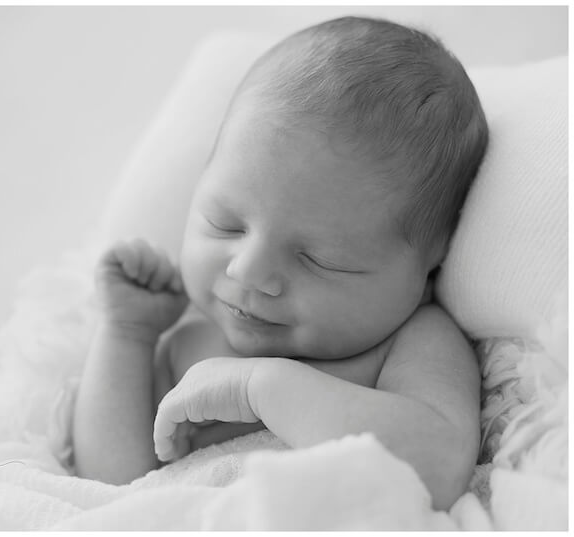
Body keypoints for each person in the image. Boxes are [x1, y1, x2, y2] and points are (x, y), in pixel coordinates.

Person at [70, 16, 488, 511]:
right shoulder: (189, 342)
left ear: (425, 272)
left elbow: (436, 469)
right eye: (225, 223)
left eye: (318, 259)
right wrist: (125, 335)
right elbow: (109, 484)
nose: (246, 272)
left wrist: (262, 387)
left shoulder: (409, 342)